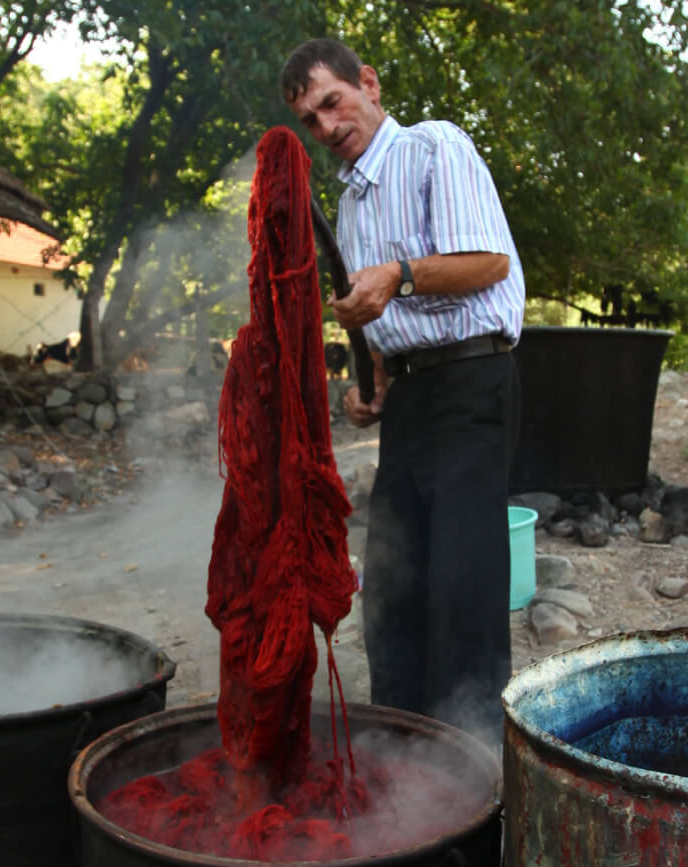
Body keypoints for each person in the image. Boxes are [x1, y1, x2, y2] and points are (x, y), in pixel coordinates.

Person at [281, 38, 525, 747]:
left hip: (473, 382)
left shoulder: (431, 148)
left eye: (331, 102)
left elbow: (487, 260)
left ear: (368, 84)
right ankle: (399, 757)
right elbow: (387, 322)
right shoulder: (351, 205)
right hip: (413, 400)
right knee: (390, 585)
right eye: (309, 119)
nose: (325, 127)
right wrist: (373, 386)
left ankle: (471, 767)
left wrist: (397, 275)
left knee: (462, 586)